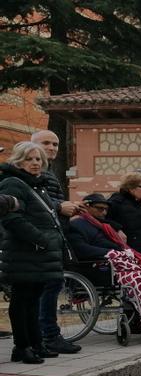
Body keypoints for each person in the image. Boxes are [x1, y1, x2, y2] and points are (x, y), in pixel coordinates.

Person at [0, 142, 65, 364]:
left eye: (38, 159)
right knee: (22, 300)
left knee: (34, 299)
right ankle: (22, 347)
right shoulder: (13, 184)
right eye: (30, 159)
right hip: (24, 252)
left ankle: (36, 344)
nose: (36, 163)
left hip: (38, 253)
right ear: (18, 161)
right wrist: (41, 239)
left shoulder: (37, 185)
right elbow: (11, 218)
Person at [30, 130, 83, 354]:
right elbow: (30, 199)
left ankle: (45, 336)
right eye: (46, 143)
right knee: (47, 287)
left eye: (55, 144)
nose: (51, 147)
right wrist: (59, 206)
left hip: (53, 234)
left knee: (51, 286)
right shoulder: (33, 170)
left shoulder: (49, 172)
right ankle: (47, 336)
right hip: (40, 238)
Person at [107, 173, 141, 265]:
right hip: (130, 252)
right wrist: (117, 229)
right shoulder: (116, 201)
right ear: (131, 188)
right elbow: (105, 220)